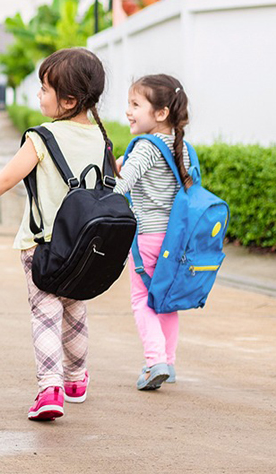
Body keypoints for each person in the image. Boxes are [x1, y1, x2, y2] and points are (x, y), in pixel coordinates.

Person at [0, 47, 113, 421]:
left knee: (45, 315)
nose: (38, 95)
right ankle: (76, 380)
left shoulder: (41, 138)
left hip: (43, 247)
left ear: (69, 99)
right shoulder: (101, 137)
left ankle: (50, 388)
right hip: (84, 248)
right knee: (75, 311)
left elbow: (5, 179)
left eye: (45, 89)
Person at [113, 74, 192, 391]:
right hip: (174, 240)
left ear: (160, 113)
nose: (128, 112)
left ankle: (154, 360)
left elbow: (121, 188)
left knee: (142, 299)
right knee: (166, 302)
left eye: (135, 105)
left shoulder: (145, 147)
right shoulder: (181, 146)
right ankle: (168, 363)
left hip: (146, 238)